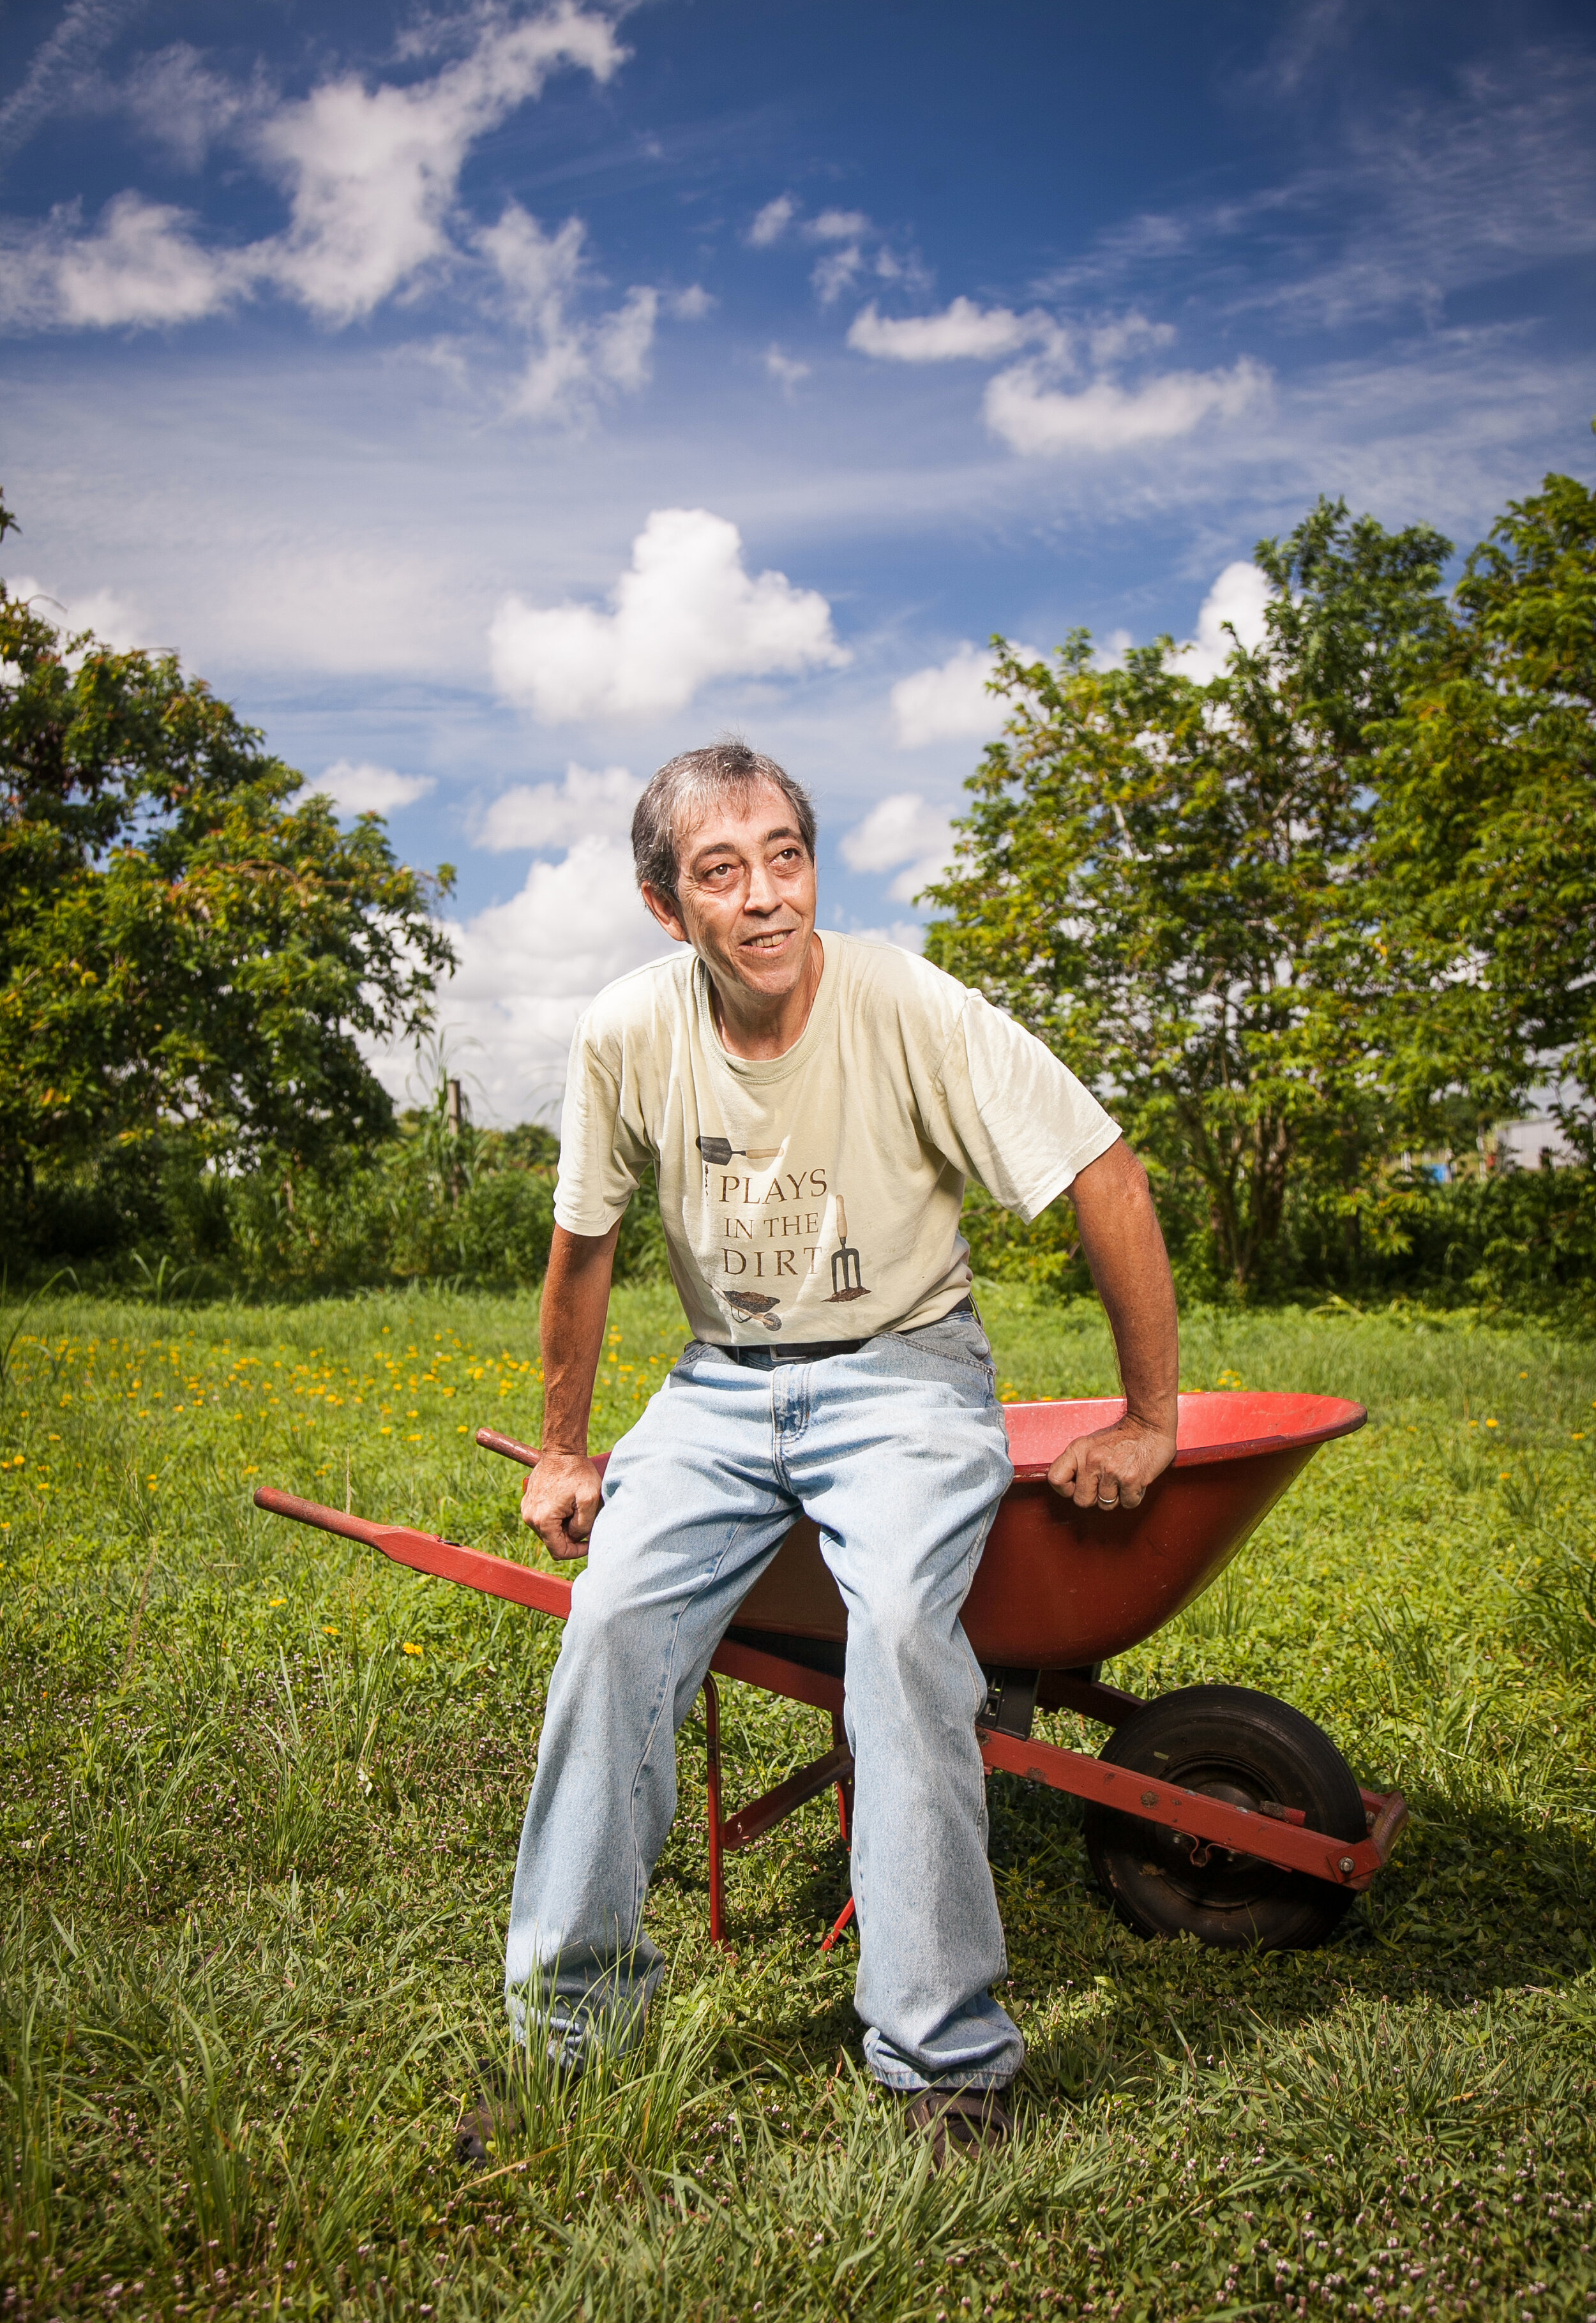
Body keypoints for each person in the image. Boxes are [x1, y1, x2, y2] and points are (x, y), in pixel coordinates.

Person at [459, 741, 1178, 2167]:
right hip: (719, 1385)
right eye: (722, 870)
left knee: (905, 1633)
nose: (767, 895)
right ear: (668, 905)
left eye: (784, 853)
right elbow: (583, 1252)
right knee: (605, 1624)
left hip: (903, 1369)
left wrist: (1151, 1418)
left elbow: (1097, 1161)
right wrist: (560, 1446)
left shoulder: (900, 999)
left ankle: (943, 2059)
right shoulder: (626, 1032)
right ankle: (568, 2035)